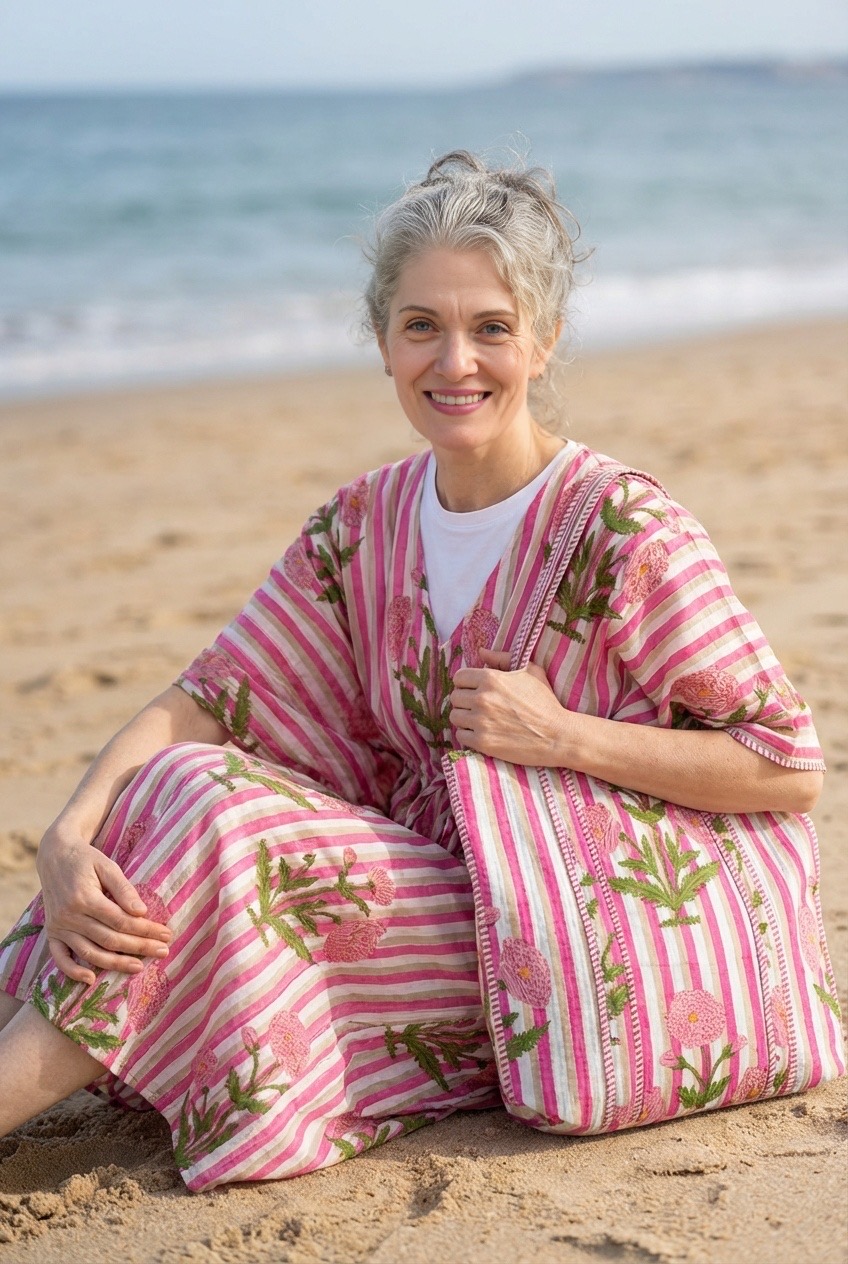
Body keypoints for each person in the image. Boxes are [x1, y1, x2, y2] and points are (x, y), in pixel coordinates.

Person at [0, 151, 825, 1192]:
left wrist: (564, 737)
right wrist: (66, 840)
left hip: (562, 948)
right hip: (413, 906)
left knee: (211, 818)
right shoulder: (364, 525)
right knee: (154, 793)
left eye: (492, 327)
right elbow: (208, 699)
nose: (455, 361)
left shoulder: (625, 530)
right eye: (422, 325)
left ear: (543, 340)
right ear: (383, 339)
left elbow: (787, 766)